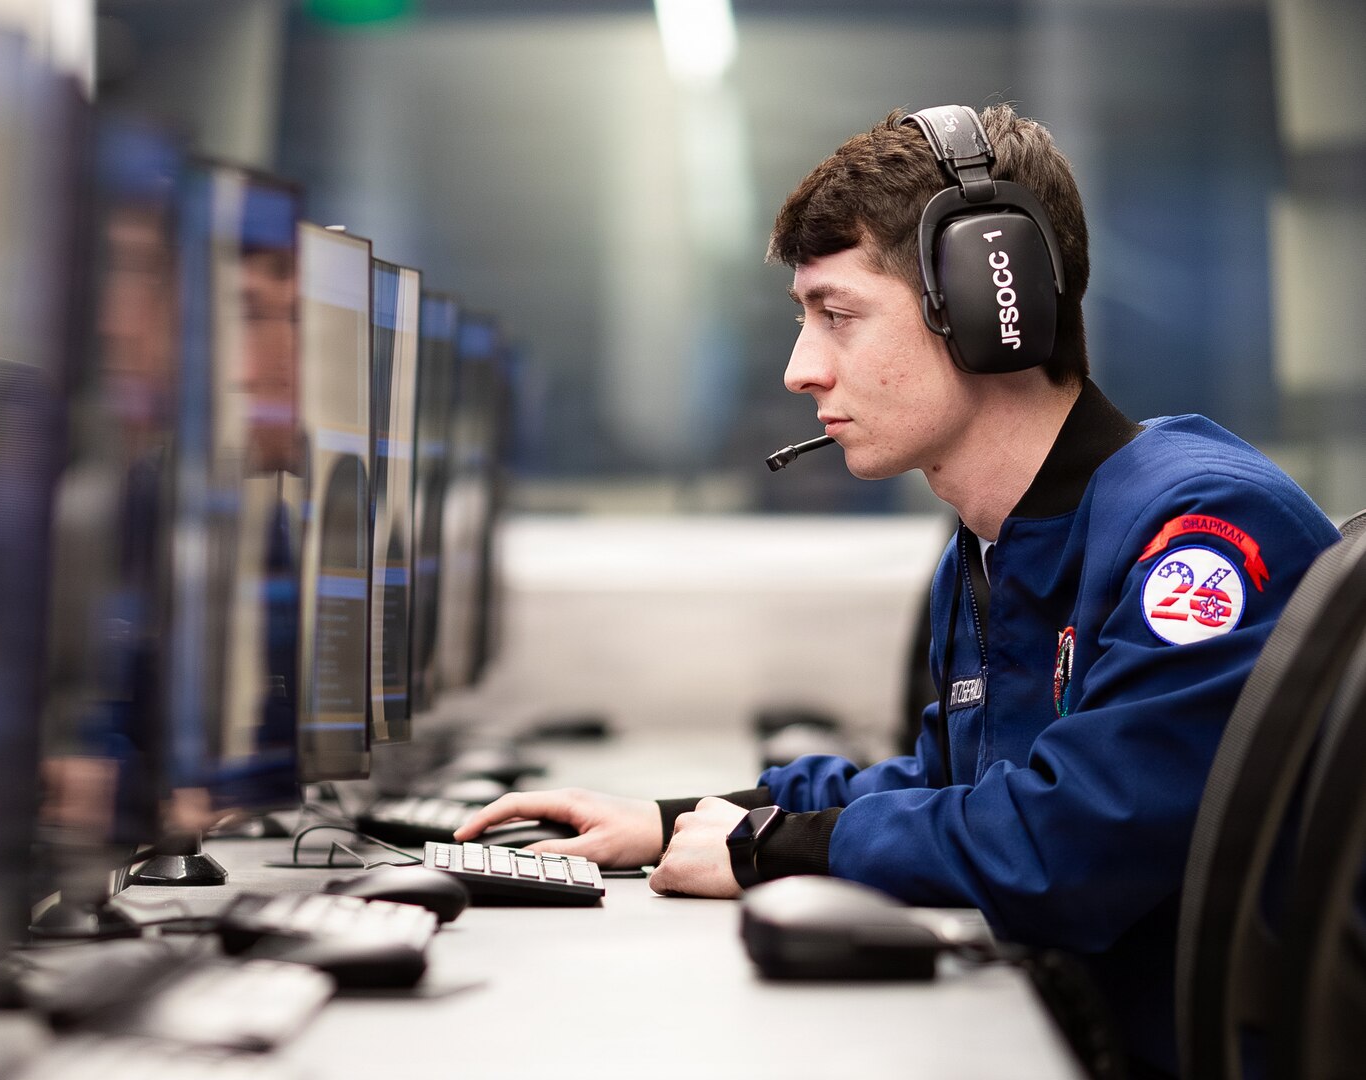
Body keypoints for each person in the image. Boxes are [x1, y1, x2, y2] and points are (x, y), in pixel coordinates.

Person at [455, 103, 1340, 1078]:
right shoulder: (997, 540)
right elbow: (948, 788)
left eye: (838, 315)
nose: (800, 368)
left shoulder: (1201, 533)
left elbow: (1070, 845)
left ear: (988, 310)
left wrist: (772, 851)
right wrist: (675, 817)